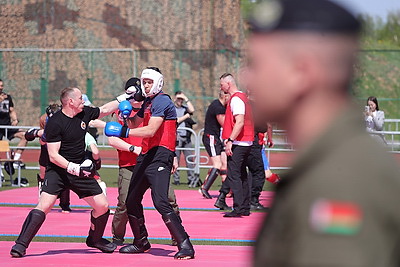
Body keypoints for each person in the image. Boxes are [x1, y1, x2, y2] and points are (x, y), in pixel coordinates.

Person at [246, 0, 400, 266]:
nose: (247, 78)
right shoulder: (330, 161)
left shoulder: (340, 181)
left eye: (255, 64)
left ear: (301, 72)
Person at [10, 86, 136, 257]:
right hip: (58, 171)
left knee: (103, 206)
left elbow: (105, 109)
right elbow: (53, 156)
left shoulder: (84, 113)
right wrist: (73, 167)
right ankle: (20, 244)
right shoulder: (55, 122)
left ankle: (95, 239)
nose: (83, 101)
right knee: (44, 206)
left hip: (79, 170)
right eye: (80, 98)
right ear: (70, 102)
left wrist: (126, 97)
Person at [105, 67, 195, 259]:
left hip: (161, 154)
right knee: (131, 199)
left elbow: (151, 130)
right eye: (143, 82)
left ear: (158, 83)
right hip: (146, 155)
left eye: (149, 82)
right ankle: (141, 241)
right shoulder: (147, 102)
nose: (145, 85)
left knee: (161, 200)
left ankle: (185, 244)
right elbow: (135, 123)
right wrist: (126, 106)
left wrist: (123, 133)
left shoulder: (162, 100)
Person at [25, 103, 72, 213]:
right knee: (43, 175)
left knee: (64, 176)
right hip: (46, 150)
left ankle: (65, 204)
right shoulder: (44, 119)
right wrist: (40, 134)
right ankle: (42, 202)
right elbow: (35, 137)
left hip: (61, 150)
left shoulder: (67, 119)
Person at [220, 73, 254, 218]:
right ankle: (244, 207)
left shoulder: (236, 100)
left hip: (239, 142)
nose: (221, 88)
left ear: (228, 84)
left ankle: (238, 207)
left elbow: (239, 122)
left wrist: (230, 140)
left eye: (222, 84)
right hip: (246, 142)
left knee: (234, 175)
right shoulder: (242, 97)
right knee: (242, 175)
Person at [199, 91, 230, 206]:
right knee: (217, 164)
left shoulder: (218, 105)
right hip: (211, 137)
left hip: (216, 138)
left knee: (224, 163)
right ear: (225, 96)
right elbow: (224, 124)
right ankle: (205, 187)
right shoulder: (218, 107)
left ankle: (227, 189)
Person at [0, 79, 27, 168]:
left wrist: (15, 120)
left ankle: (16, 160)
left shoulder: (7, 97)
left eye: (2, 85)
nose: (1, 88)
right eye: (0, 86)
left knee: (25, 136)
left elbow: (11, 110)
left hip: (7, 125)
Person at [173, 91, 196, 186]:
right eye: (178, 99)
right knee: (176, 160)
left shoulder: (185, 109)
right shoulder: (171, 109)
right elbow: (176, 121)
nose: (180, 101)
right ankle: (176, 180)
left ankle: (191, 179)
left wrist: (186, 98)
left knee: (189, 159)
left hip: (186, 137)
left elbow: (192, 110)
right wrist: (186, 116)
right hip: (176, 137)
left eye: (181, 99)